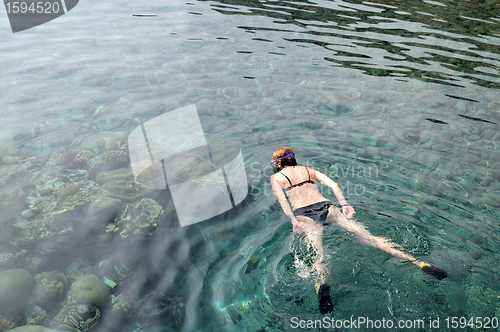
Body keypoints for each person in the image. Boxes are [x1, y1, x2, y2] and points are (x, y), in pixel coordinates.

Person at [270, 147, 447, 314]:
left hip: (304, 214)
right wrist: (345, 205)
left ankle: (322, 285)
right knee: (371, 238)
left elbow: (282, 201)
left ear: (278, 164)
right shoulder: (309, 171)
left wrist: (294, 221)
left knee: (317, 257)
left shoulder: (277, 178)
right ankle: (418, 263)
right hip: (327, 207)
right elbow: (335, 185)